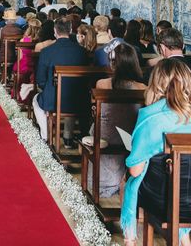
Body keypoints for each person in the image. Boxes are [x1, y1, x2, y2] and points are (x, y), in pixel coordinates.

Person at [120, 59, 191, 246]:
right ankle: (183, 240)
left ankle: (130, 240)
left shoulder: (150, 117)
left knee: (127, 182)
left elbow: (135, 170)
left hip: (163, 200)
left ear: (156, 83)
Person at [93, 43, 146, 197]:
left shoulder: (102, 84)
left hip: (107, 135)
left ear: (113, 64)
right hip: (132, 137)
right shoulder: (143, 88)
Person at [32, 18, 88, 147]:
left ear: (54, 31)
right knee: (71, 96)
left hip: (53, 100)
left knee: (36, 100)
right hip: (78, 101)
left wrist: (47, 91)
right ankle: (68, 136)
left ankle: (46, 135)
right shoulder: (82, 52)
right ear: (70, 30)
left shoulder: (46, 52)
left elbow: (40, 80)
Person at [13, 18, 41, 85]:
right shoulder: (41, 40)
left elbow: (20, 56)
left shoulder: (25, 40)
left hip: (24, 65)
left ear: (29, 28)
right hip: (37, 65)